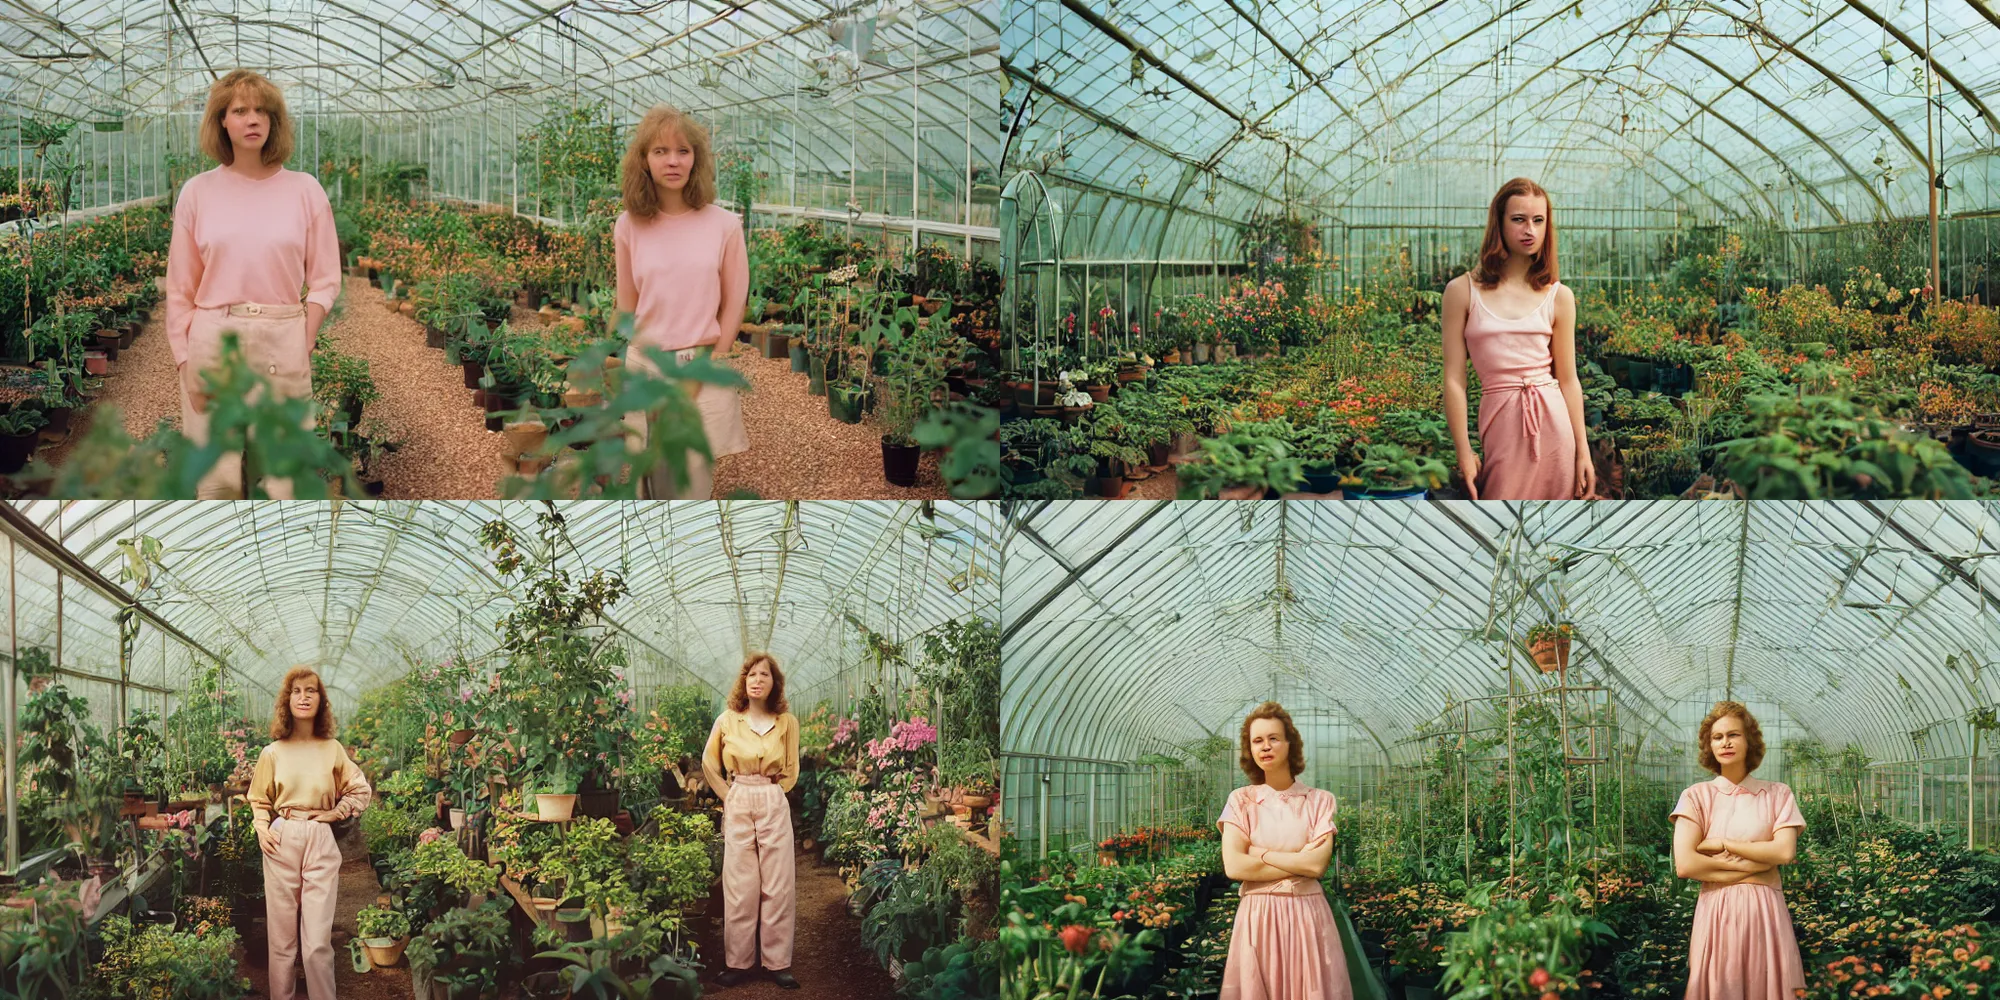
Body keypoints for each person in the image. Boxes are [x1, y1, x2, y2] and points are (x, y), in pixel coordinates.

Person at [164, 69, 340, 499]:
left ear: (274, 121)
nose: (252, 119)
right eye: (239, 110)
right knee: (216, 482)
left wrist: (306, 336)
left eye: (262, 110)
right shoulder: (198, 192)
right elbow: (179, 289)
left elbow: (325, 279)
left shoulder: (305, 191)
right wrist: (187, 364)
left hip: (283, 336)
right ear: (221, 121)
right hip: (214, 339)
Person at [614, 104, 750, 499]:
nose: (672, 161)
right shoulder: (628, 225)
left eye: (683, 151)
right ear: (644, 160)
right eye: (660, 151)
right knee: (646, 483)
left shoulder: (725, 225)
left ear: (696, 159)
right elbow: (627, 305)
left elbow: (734, 302)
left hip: (701, 367)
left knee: (690, 485)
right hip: (645, 366)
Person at [1441, 177, 1595, 500]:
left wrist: (1583, 451)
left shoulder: (1559, 296)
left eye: (1539, 221)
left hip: (1555, 429)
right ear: (1499, 223)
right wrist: (1464, 453)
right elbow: (1454, 380)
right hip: (1500, 427)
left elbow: (1568, 380)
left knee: (1552, 536)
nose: (1530, 230)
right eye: (1519, 219)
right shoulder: (1461, 292)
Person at [247, 666, 372, 1000]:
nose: (304, 697)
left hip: (319, 837)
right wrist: (261, 827)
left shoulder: (332, 749)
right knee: (282, 939)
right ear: (287, 700)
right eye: (297, 691)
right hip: (281, 836)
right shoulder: (272, 752)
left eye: (311, 691)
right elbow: (259, 799)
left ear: (321, 700)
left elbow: (359, 790)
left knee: (317, 941)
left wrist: (335, 812)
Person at [1671, 701, 1806, 1000]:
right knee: (1722, 986)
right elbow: (1686, 864)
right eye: (1717, 737)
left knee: (1768, 986)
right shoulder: (1696, 796)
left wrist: (1724, 844)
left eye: (1734, 735)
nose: (1726, 743)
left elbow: (1784, 852)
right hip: (1717, 912)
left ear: (1750, 741)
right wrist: (1756, 865)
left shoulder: (1777, 793)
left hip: (1766, 914)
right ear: (1709, 746)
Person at [1217, 701, 1350, 1000]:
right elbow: (1235, 867)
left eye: (1274, 738)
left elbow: (1316, 866)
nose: (1265, 747)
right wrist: (1298, 861)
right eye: (1257, 741)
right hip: (1258, 917)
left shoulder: (1319, 801)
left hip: (1308, 916)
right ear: (1249, 749)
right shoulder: (1241, 800)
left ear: (1291, 744)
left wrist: (1260, 853)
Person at [700, 653, 800, 989]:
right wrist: (730, 795)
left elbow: (792, 767)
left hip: (772, 796)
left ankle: (777, 964)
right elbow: (709, 763)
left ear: (775, 683)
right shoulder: (727, 720)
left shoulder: (787, 722)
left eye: (765, 675)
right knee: (740, 884)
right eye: (751, 675)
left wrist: (774, 792)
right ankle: (739, 963)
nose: (757, 680)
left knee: (778, 883)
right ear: (744, 681)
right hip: (739, 794)